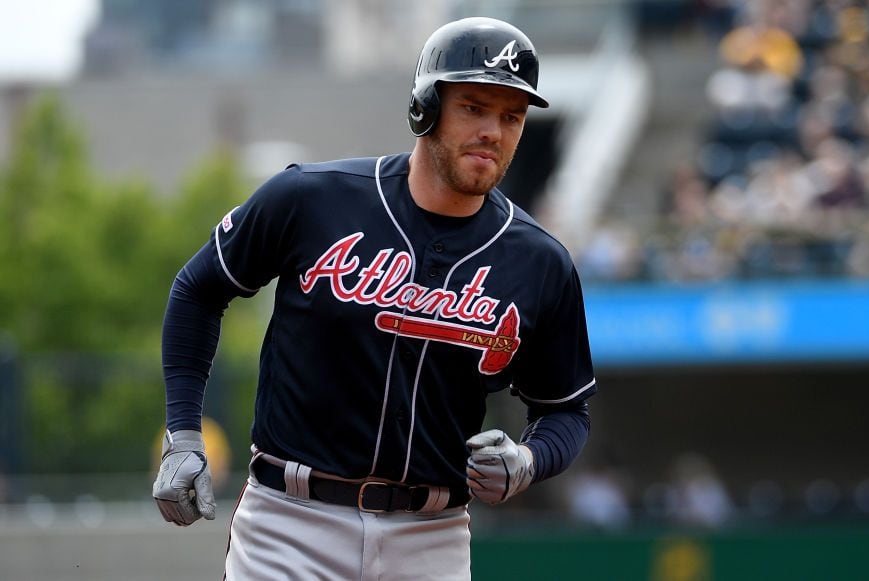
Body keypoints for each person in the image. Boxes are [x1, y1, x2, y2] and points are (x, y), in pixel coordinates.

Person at [151, 17, 597, 580]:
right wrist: (184, 436)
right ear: (425, 108)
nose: (493, 130)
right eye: (474, 107)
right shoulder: (311, 200)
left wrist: (529, 461)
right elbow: (198, 288)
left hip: (431, 537)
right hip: (292, 522)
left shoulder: (539, 262)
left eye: (511, 116)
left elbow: (566, 408)